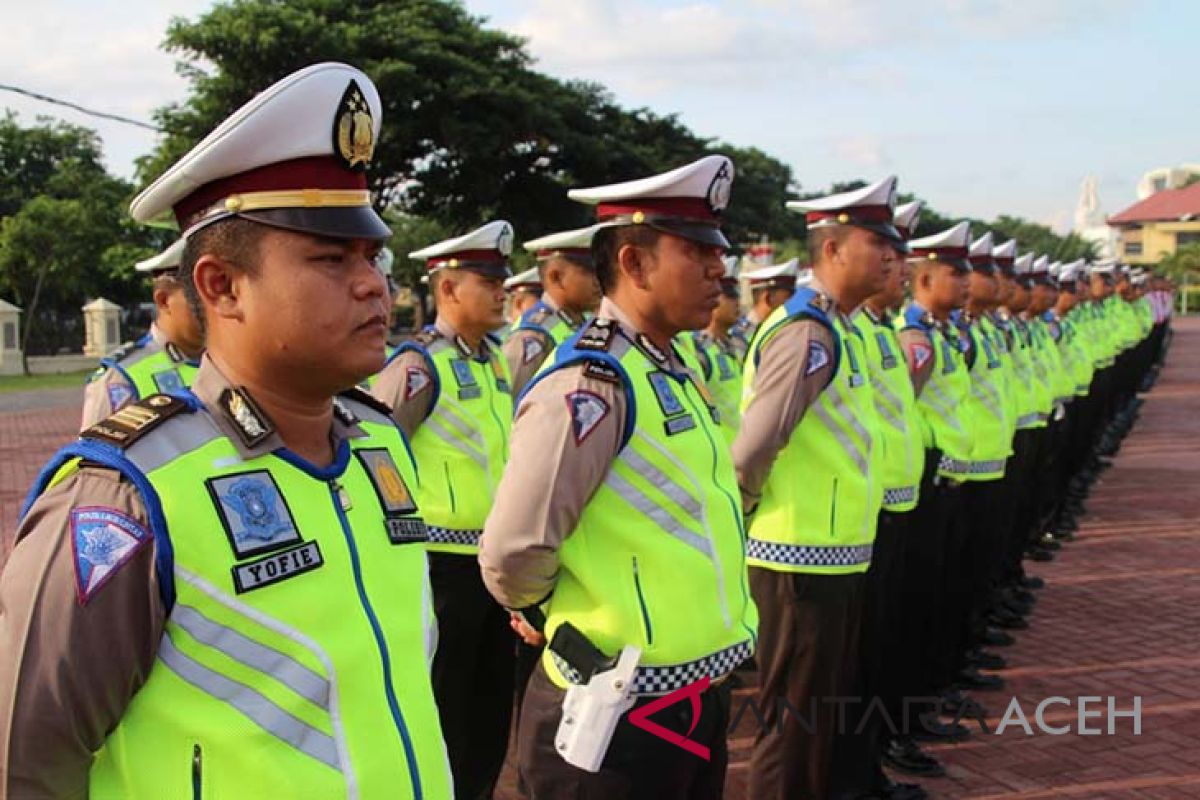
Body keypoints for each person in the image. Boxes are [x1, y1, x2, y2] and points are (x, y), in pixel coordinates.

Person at [0, 62, 452, 800]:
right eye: (331, 258)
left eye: (372, 255)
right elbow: (26, 760)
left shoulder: (377, 444)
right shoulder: (127, 494)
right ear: (222, 286)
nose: (375, 284)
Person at [480, 154, 757, 799]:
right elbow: (514, 549)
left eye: (718, 249)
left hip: (690, 693)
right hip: (616, 710)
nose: (720, 267)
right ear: (633, 262)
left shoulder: (665, 366)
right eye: (696, 250)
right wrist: (543, 608)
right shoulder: (592, 382)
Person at [736, 177, 898, 800]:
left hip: (832, 550)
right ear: (831, 251)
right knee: (791, 722)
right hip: (795, 552)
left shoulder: (840, 327)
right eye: (874, 241)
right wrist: (744, 514)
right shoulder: (806, 332)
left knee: (818, 713)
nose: (890, 256)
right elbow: (755, 447)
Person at [370, 220, 515, 800]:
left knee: (488, 708)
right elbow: (377, 453)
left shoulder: (494, 360)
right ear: (449, 289)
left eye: (503, 280)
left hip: (490, 566)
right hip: (442, 567)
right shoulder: (417, 366)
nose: (503, 290)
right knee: (446, 704)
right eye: (488, 280)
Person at [80, 238, 204, 429]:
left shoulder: (234, 363)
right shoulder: (122, 378)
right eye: (202, 300)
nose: (217, 307)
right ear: (163, 300)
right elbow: (97, 456)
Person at [503, 224, 602, 395]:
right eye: (590, 273)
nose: (599, 281)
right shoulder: (532, 337)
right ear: (556, 277)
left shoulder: (582, 324)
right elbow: (514, 407)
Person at [691, 256, 745, 442]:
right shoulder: (700, 352)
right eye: (729, 295)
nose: (736, 301)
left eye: (737, 294)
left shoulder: (737, 346)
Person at [729, 257, 799, 361]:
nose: (794, 304)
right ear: (768, 298)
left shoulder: (783, 330)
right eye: (787, 299)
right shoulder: (740, 338)